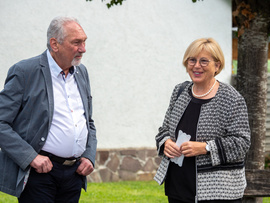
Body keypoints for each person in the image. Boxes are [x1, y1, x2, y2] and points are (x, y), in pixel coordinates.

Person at [0, 16, 97, 203]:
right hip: (39, 174)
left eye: (84, 42)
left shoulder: (82, 72)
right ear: (55, 44)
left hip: (74, 174)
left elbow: (88, 121)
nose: (83, 49)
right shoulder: (25, 72)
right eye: (76, 42)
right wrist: (30, 157)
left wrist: (89, 156)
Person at [154, 38, 250, 203]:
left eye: (204, 61)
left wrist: (205, 147)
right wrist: (165, 142)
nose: (196, 66)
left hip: (218, 193)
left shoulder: (231, 98)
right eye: (192, 60)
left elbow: (242, 143)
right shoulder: (180, 91)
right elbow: (164, 129)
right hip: (178, 188)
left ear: (217, 66)